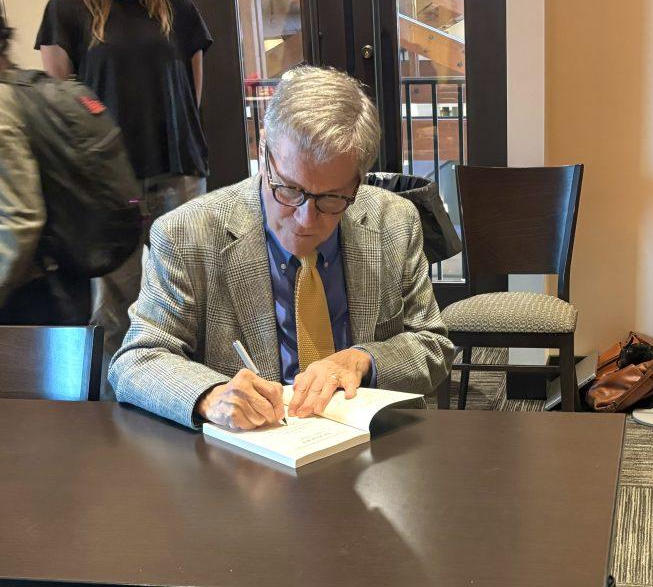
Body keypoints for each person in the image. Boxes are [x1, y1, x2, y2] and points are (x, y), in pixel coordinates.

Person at [109, 66, 455, 430]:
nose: (306, 219)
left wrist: (363, 359)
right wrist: (212, 396)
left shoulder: (394, 222)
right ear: (264, 150)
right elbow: (138, 359)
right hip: (254, 454)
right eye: (289, 190)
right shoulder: (188, 234)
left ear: (359, 180)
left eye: (332, 198)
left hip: (368, 445)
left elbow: (432, 346)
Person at [34, 0, 211, 393]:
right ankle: (119, 411)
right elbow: (60, 103)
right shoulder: (68, 7)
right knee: (119, 309)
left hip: (177, 171)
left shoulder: (172, 3)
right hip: (108, 184)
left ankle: (188, 402)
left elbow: (192, 84)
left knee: (186, 302)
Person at [0, 12, 90, 324]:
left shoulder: (2, 104)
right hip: (65, 277)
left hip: (29, 295)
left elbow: (21, 219)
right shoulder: (30, 87)